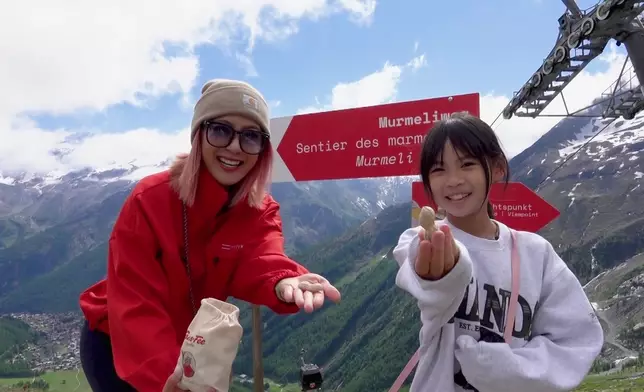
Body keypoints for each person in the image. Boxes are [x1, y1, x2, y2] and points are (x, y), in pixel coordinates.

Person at [78, 79, 342, 392]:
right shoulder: (149, 200)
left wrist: (283, 280)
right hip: (119, 345)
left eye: (251, 136)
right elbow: (137, 307)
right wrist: (173, 379)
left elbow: (262, 258)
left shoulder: (260, 209)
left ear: (262, 150)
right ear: (198, 135)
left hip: (191, 343)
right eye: (220, 130)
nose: (234, 146)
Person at [393, 113, 604, 392]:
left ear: (497, 168)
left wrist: (506, 368)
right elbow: (416, 267)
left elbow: (576, 339)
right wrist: (442, 273)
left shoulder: (535, 253)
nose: (453, 180)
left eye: (467, 164)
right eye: (438, 169)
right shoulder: (421, 240)